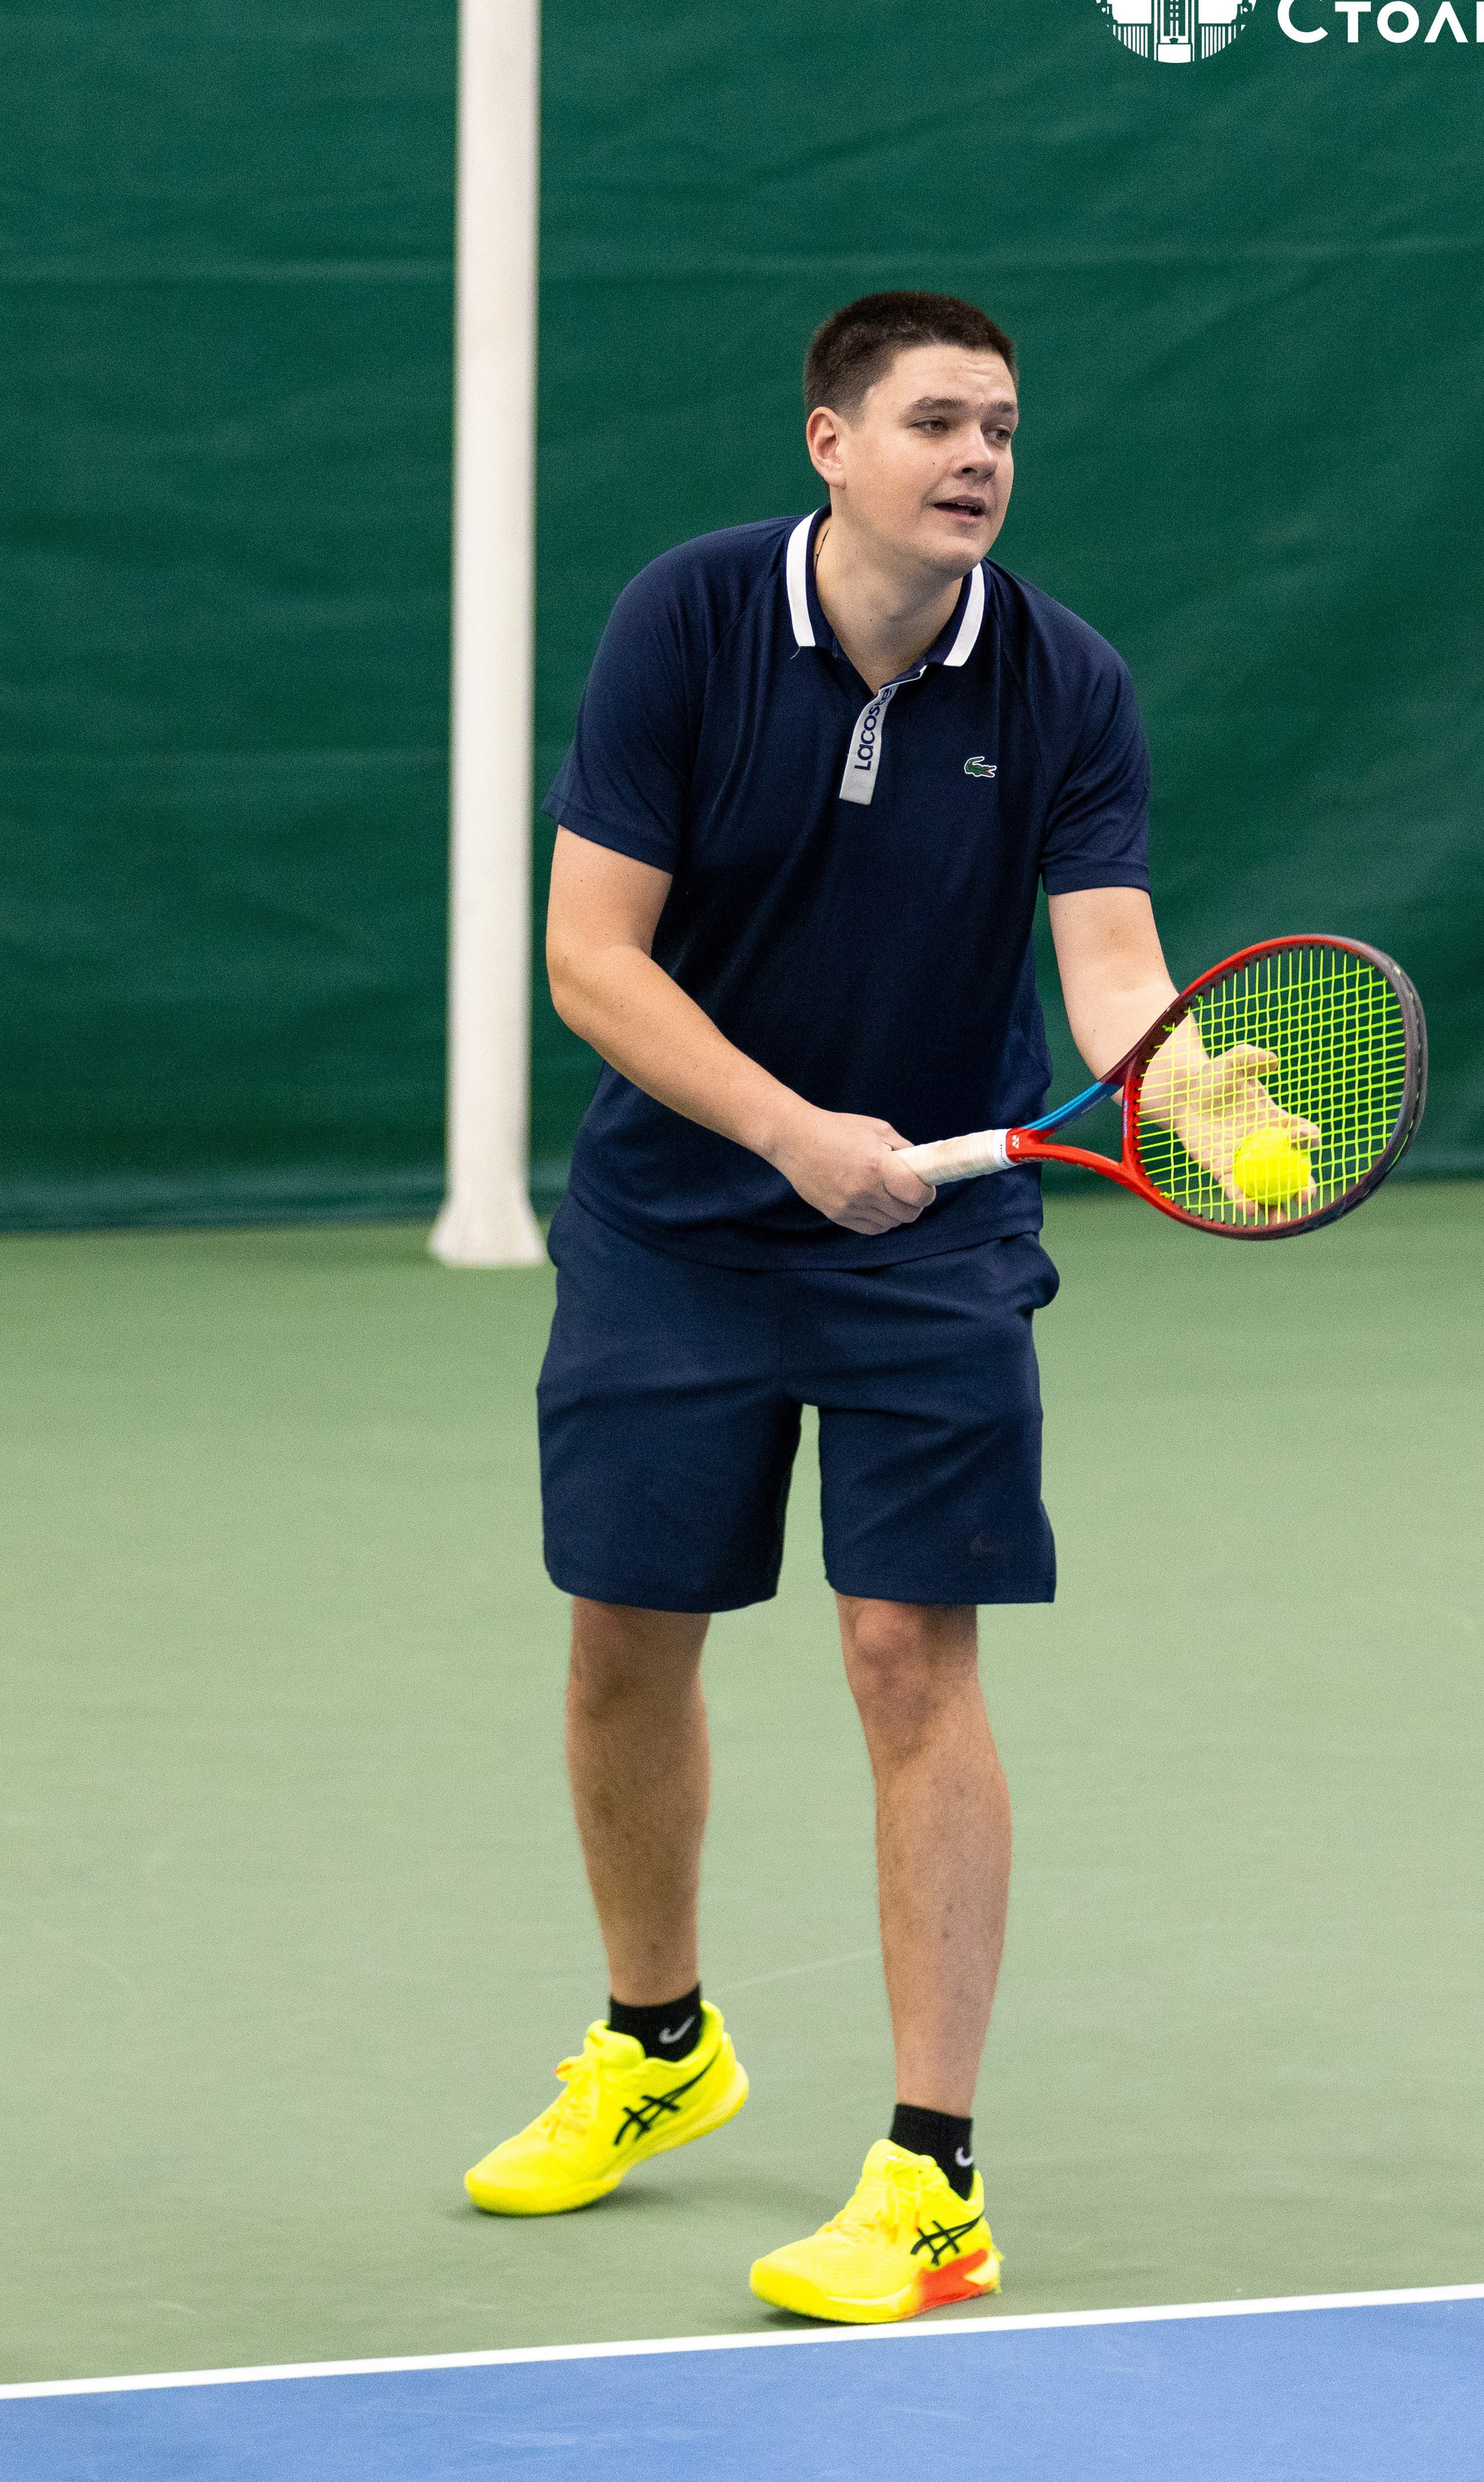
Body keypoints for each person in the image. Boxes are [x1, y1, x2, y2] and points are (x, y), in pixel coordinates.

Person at [464, 290, 1203, 2323]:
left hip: (933, 1243)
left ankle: (933, 2181)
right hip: (679, 1224)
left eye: (1004, 429)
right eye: (939, 421)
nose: (979, 460)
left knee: (907, 1653)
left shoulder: (1063, 679)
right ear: (831, 442)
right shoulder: (688, 622)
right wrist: (791, 1132)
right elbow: (593, 959)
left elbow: (1113, 970)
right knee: (627, 1639)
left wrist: (1182, 1081)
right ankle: (658, 2042)